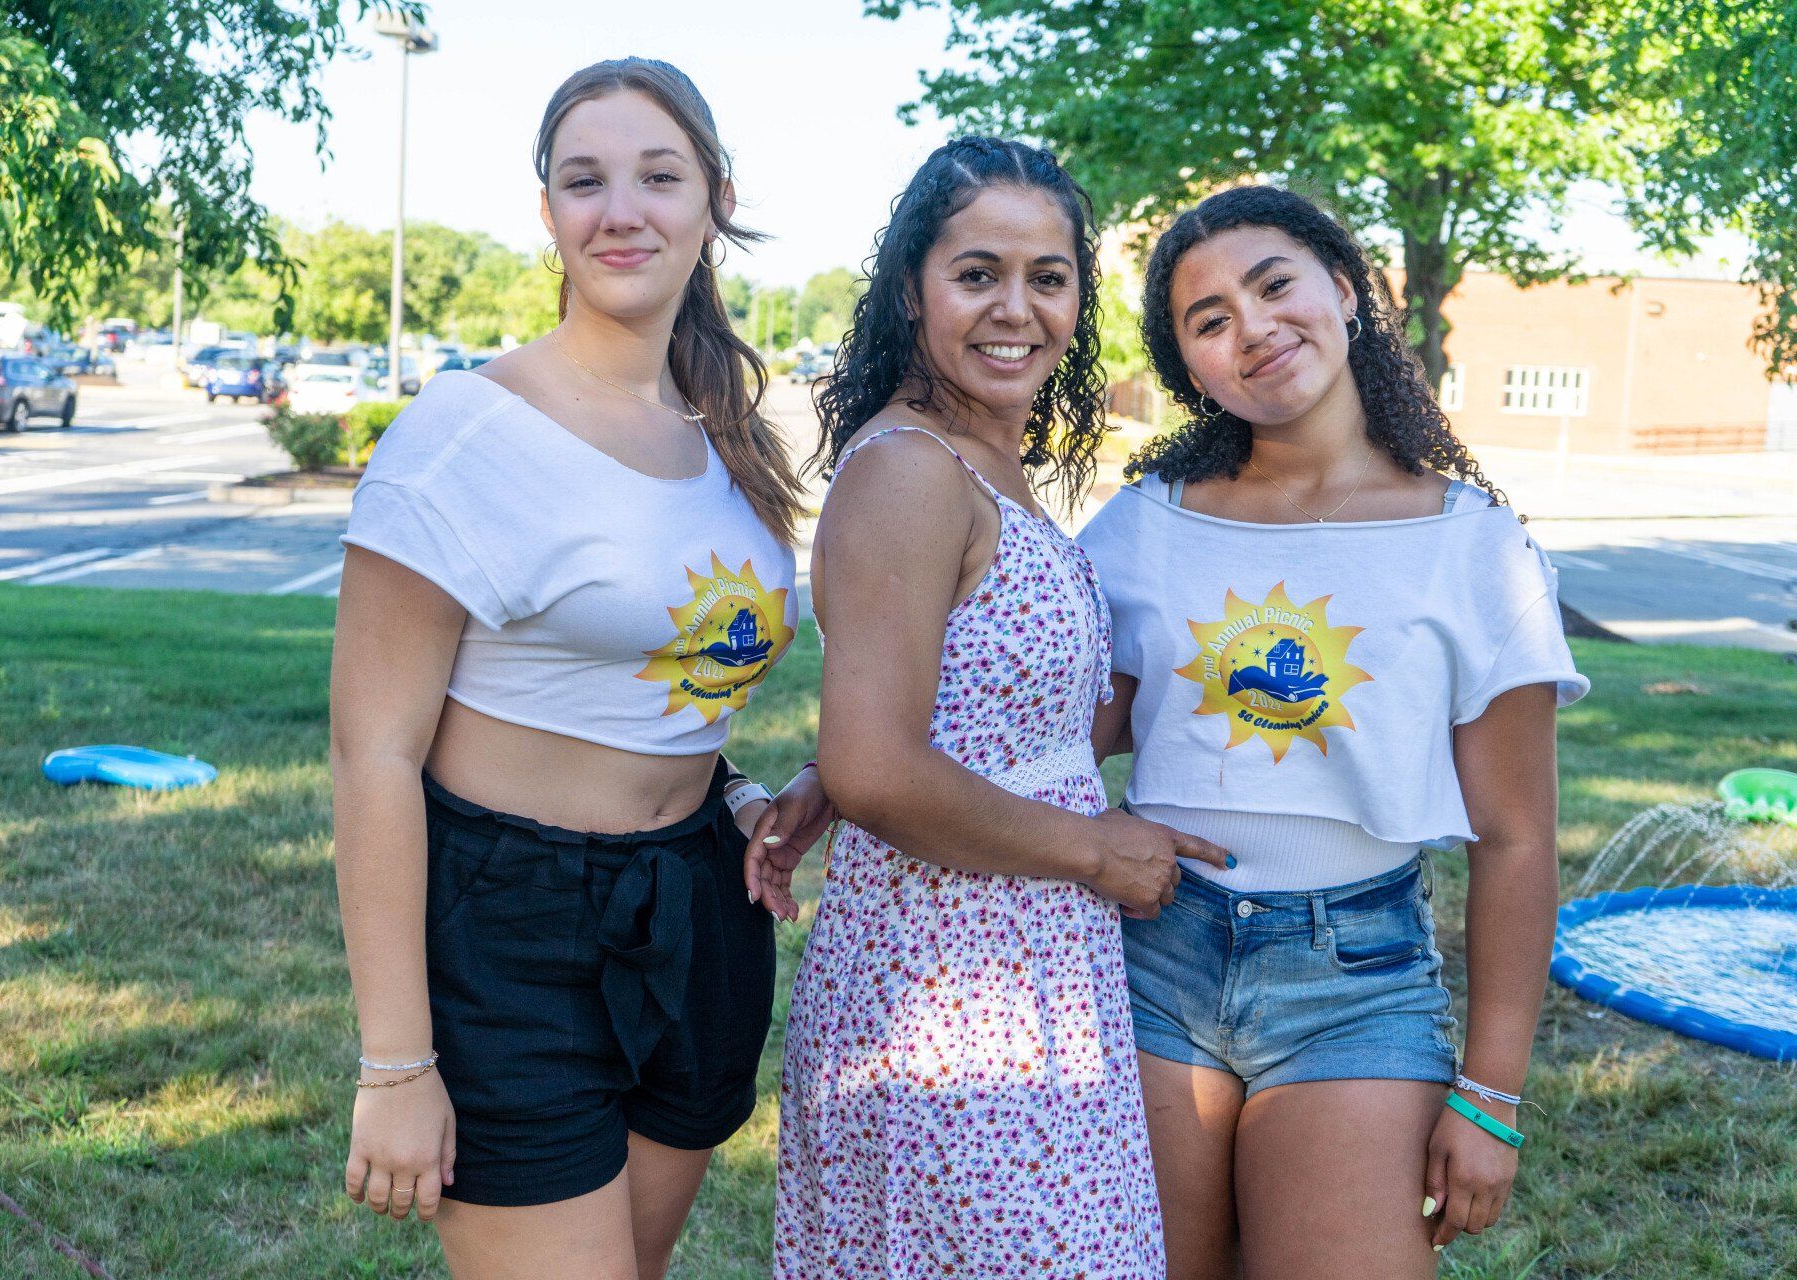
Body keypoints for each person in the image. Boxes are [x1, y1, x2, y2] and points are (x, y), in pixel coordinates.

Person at [330, 57, 826, 1280]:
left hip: (699, 908)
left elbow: (645, 674)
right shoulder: (463, 434)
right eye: (584, 179)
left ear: (712, 198)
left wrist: (728, 790)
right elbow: (372, 751)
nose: (623, 209)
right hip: (511, 927)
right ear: (545, 211)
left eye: (659, 176)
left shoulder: (726, 437)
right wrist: (397, 1062)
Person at [1076, 184, 1589, 1279]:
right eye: (1208, 320)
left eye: (1273, 285)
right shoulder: (1142, 526)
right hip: (1146, 955)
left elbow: (1517, 840)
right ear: (1190, 369)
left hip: (1353, 976)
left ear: (1345, 292)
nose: (1252, 327)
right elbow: (1051, 738)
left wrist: (1491, 1097)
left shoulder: (1474, 546)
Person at [761, 136, 1224, 1280]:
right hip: (947, 992)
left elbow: (966, 711)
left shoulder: (980, 456)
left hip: (1024, 964)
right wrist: (1100, 852)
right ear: (913, 289)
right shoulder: (912, 468)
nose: (1017, 307)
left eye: (1048, 277)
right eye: (978, 273)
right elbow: (875, 765)